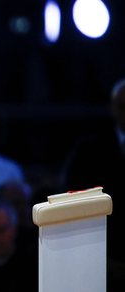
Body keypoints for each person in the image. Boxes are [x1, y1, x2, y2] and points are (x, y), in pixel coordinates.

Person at [63, 77, 125, 290]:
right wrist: (99, 258)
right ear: (112, 109)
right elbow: (72, 204)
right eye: (122, 106)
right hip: (100, 257)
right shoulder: (88, 151)